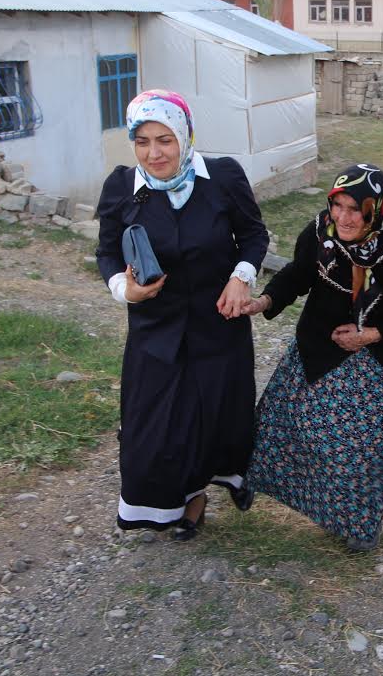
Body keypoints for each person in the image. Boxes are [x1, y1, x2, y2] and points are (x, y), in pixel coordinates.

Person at [242, 164, 383, 551]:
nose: (344, 218)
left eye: (357, 209)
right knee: (281, 423)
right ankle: (252, 482)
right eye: (338, 206)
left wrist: (371, 335)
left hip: (380, 359)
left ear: (377, 209)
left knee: (359, 450)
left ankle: (356, 523)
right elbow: (298, 273)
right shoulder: (322, 232)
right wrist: (265, 300)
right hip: (319, 347)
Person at [95, 89, 269, 540]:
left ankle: (197, 497)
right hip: (156, 330)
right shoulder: (121, 187)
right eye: (143, 141)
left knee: (213, 417)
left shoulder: (223, 177)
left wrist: (241, 276)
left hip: (218, 327)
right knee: (154, 424)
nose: (154, 153)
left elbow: (253, 235)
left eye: (165, 139)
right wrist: (124, 289)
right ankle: (166, 500)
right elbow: (107, 253)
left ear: (186, 136)